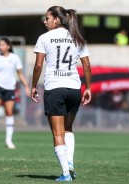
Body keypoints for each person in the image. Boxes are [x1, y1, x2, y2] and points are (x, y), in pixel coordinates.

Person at [31, 6, 92, 182]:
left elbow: (38, 66)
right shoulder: (77, 38)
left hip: (55, 88)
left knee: (57, 134)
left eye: (47, 18)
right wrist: (88, 88)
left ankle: (66, 173)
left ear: (56, 20)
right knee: (67, 129)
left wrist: (33, 85)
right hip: (74, 88)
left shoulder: (44, 38)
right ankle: (70, 163)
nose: (45, 21)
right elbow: (86, 65)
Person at [0, 37, 30, 149]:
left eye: (3, 45)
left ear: (8, 46)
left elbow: (20, 74)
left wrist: (27, 87)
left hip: (10, 88)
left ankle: (8, 140)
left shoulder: (14, 58)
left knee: (9, 112)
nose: (0, 47)